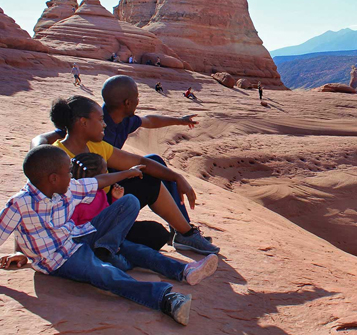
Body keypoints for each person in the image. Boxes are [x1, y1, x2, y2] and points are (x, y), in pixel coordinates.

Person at [0, 145, 219, 326]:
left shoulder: (66, 188)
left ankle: (183, 271)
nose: (71, 176)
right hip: (59, 259)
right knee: (104, 273)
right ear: (53, 178)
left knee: (130, 208)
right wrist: (20, 253)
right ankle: (165, 299)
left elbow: (97, 182)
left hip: (79, 236)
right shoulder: (19, 204)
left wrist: (127, 173)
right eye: (68, 172)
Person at [30, 76, 205, 249]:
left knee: (154, 165)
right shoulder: (91, 123)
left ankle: (183, 230)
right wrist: (39, 151)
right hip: (89, 198)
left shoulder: (121, 120)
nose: (139, 100)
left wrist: (180, 121)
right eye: (137, 96)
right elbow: (50, 137)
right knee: (151, 208)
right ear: (127, 102)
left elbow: (150, 121)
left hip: (112, 186)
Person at [70, 153, 170, 250]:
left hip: (112, 233)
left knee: (158, 233)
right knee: (130, 255)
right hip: (90, 239)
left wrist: (116, 199)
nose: (109, 175)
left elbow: (110, 216)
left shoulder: (101, 194)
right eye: (106, 173)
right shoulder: (75, 200)